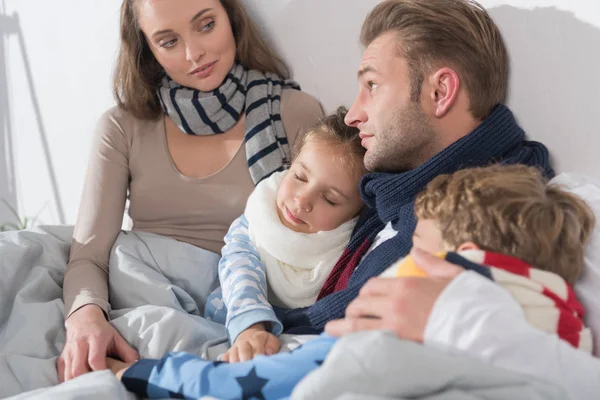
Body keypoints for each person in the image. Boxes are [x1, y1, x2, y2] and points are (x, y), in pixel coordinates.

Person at [103, 163, 594, 399]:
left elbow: (245, 386)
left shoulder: (404, 321)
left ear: (463, 261)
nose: (402, 266)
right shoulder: (569, 329)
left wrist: (139, 376)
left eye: (418, 252)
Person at [318, 1, 600, 398]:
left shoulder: (496, 219)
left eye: (372, 85)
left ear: (440, 91)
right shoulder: (390, 197)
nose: (353, 114)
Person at [58, 0, 323, 382]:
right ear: (147, 50)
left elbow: (328, 235)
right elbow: (89, 255)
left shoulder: (294, 113)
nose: (193, 53)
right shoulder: (121, 127)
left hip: (245, 307)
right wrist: (85, 318)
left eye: (206, 25)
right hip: (143, 301)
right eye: (168, 41)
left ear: (231, 19)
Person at [204, 108, 365, 362]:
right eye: (299, 176)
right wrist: (250, 328)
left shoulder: (351, 254)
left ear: (355, 213)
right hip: (232, 322)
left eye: (329, 199)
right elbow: (240, 272)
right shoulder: (258, 218)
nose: (302, 200)